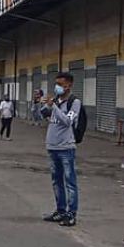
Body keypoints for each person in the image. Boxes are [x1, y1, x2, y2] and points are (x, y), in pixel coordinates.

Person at [40, 72, 81, 227]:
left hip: (66, 147)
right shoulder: (55, 101)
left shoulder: (74, 102)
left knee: (70, 181)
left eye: (60, 84)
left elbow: (67, 121)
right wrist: (43, 105)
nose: (57, 86)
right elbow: (40, 115)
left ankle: (71, 213)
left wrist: (54, 106)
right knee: (56, 181)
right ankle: (60, 210)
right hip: (52, 146)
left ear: (68, 85)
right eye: (56, 83)